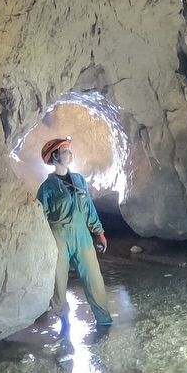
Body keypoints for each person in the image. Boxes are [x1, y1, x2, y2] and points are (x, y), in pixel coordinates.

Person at [37, 136, 115, 327]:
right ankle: (63, 320)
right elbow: (40, 219)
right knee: (59, 283)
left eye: (69, 150)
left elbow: (89, 208)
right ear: (55, 157)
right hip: (59, 237)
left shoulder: (79, 180)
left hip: (82, 236)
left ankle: (104, 321)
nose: (70, 154)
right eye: (65, 151)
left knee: (94, 280)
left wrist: (99, 232)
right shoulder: (46, 188)